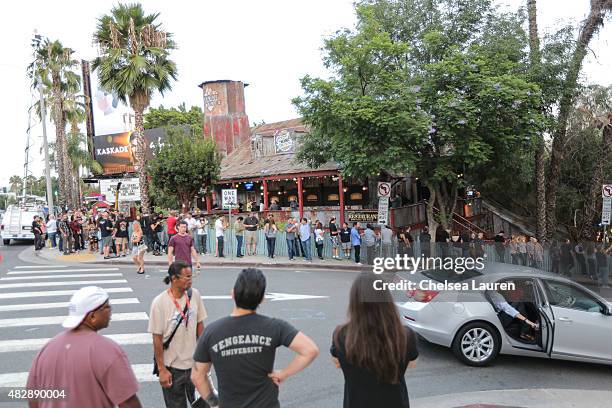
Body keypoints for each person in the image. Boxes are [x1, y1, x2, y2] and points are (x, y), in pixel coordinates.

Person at [191, 268, 319, 408]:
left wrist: (214, 403)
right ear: (262, 299)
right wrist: (283, 373)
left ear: (233, 294)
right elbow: (310, 350)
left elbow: (197, 376)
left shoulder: (212, 332)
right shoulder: (274, 326)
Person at [27, 286, 142, 408]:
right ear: (92, 316)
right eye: (107, 307)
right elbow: (128, 403)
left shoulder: (47, 349)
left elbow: (33, 398)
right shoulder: (107, 350)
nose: (110, 310)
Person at [331, 273, 418, 408]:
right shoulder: (406, 335)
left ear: (354, 302)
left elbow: (338, 363)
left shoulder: (341, 335)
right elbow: (411, 364)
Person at [149, 262, 207, 408]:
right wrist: (162, 370)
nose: (191, 280)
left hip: (194, 366)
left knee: (204, 405)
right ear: (174, 279)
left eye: (191, 276)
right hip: (172, 369)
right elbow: (157, 339)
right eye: (187, 277)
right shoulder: (159, 303)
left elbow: (200, 326)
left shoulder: (195, 295)